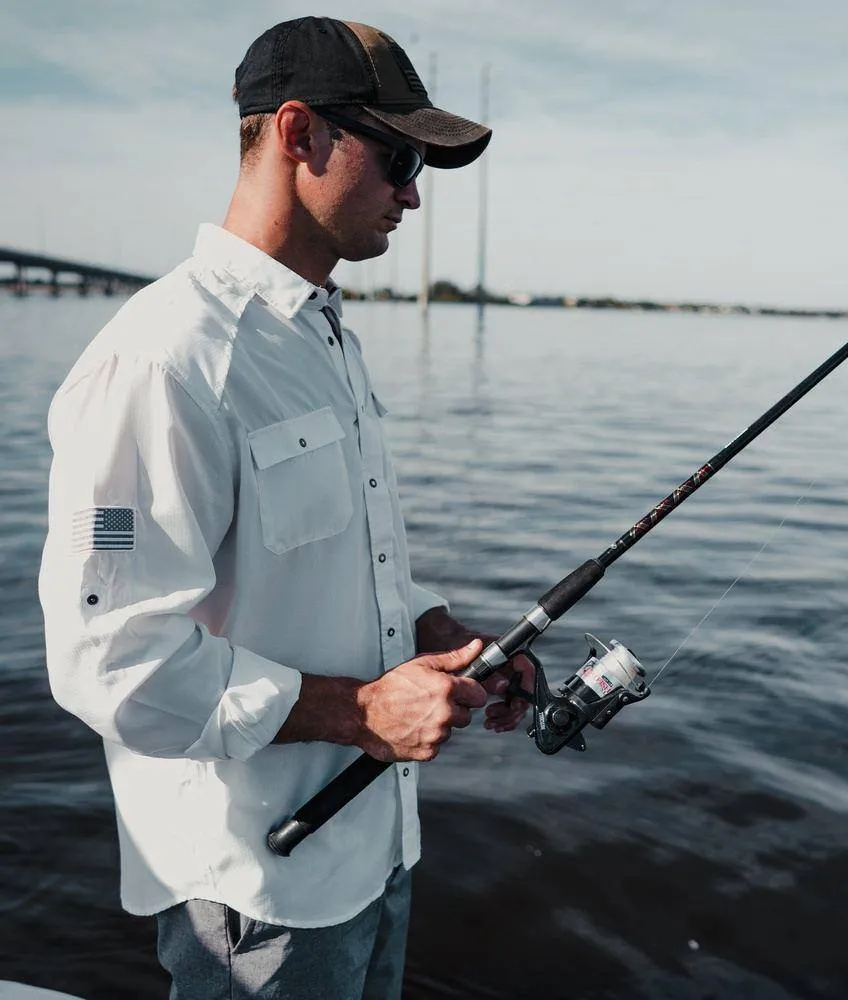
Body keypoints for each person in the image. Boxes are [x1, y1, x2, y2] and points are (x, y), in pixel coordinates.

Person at [38, 16, 533, 1000]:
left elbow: (315, 553)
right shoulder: (167, 357)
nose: (412, 191)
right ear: (298, 132)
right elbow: (111, 660)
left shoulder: (320, 336)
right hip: (257, 893)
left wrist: (431, 629)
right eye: (395, 155)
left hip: (372, 854)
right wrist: (356, 712)